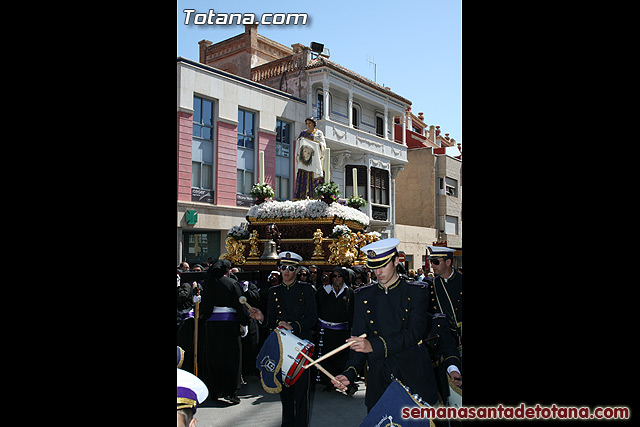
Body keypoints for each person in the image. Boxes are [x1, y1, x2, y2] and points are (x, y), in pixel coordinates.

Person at [331, 238, 440, 411]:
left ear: (396, 261)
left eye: (383, 265)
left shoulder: (416, 292)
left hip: (412, 374)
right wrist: (350, 372)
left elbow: (413, 334)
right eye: (374, 267)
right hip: (379, 378)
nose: (378, 272)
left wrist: (373, 345)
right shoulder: (363, 296)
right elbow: (358, 341)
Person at [249, 251, 318, 427]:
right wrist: (262, 317)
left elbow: (312, 318)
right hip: (282, 348)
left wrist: (293, 325)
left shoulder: (307, 290)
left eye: (291, 268)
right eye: (283, 268)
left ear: (297, 270)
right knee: (285, 394)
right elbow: (271, 320)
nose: (286, 271)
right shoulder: (274, 292)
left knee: (301, 394)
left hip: (301, 347)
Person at [198, 259, 249, 405]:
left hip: (212, 325)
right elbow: (240, 304)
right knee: (231, 357)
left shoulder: (208, 283)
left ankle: (213, 390)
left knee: (213, 356)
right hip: (229, 325)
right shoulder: (231, 283)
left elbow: (205, 306)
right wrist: (244, 322)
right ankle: (230, 391)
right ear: (227, 270)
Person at [314, 266, 355, 392]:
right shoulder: (323, 291)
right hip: (326, 331)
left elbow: (352, 312)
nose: (337, 279)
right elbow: (316, 308)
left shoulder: (349, 292)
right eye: (334, 276)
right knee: (327, 358)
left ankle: (344, 384)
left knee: (341, 358)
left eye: (339, 276)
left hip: (342, 332)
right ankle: (328, 383)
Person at [426, 245, 463, 370]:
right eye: (431, 262)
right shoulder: (431, 286)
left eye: (436, 262)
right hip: (443, 343)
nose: (432, 266)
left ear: (448, 262)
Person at [293, 117, 326, 200]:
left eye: (310, 123)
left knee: (314, 180)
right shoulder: (303, 133)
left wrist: (317, 145)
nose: (308, 125)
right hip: (304, 161)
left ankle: (314, 197)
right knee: (303, 178)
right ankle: (301, 197)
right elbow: (299, 144)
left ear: (314, 123)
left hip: (313, 161)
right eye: (307, 123)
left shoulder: (318, 133)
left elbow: (323, 145)